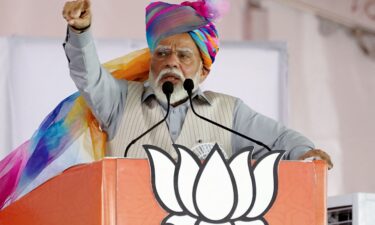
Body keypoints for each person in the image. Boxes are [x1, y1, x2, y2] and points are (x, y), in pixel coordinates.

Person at [62, 0, 333, 168]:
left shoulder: (229, 112)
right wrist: (80, 31)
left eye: (183, 56)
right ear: (152, 61)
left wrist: (306, 154)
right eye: (162, 53)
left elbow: (282, 140)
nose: (171, 62)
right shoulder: (119, 101)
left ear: (203, 72)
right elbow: (88, 75)